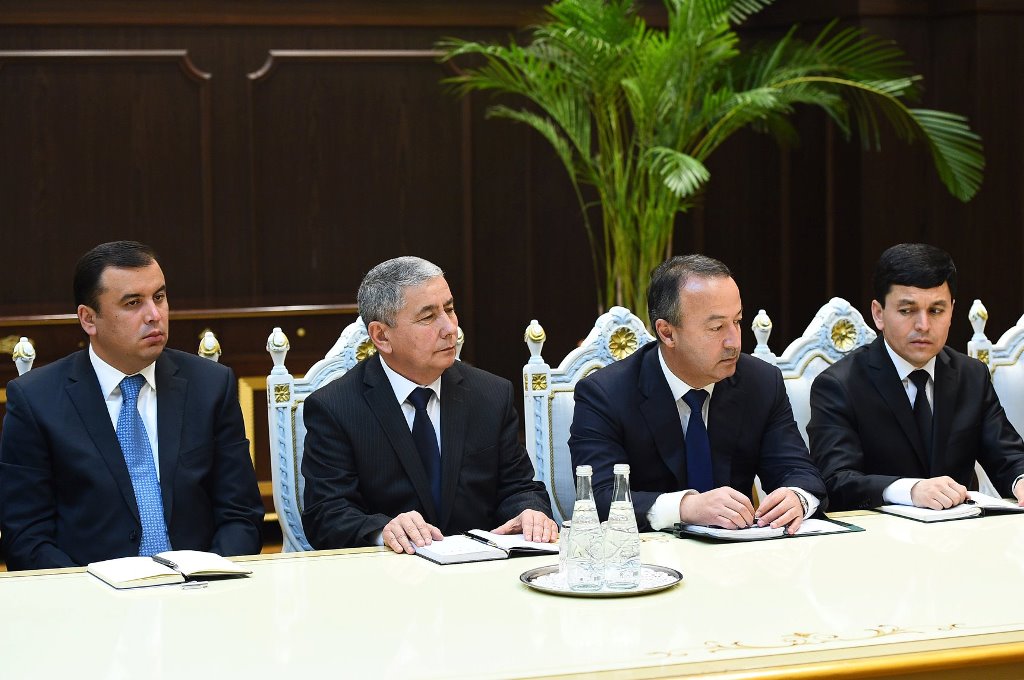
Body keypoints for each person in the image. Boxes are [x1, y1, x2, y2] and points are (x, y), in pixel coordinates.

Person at [0, 241, 263, 570]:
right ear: (88, 319)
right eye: (133, 303)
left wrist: (209, 579)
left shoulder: (210, 386)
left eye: (159, 297)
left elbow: (241, 515)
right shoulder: (36, 400)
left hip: (199, 588)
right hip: (88, 594)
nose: (154, 315)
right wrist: (87, 592)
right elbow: (26, 537)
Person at [301, 256, 557, 553]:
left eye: (449, 309)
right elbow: (326, 514)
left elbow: (519, 488)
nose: (450, 328)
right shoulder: (335, 408)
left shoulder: (491, 394)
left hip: (479, 569)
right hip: (391, 571)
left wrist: (529, 511)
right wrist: (382, 530)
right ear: (381, 336)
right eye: (428, 317)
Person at [569, 255, 826, 534]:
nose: (734, 342)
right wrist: (686, 507)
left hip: (738, 553)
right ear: (667, 333)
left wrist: (797, 497)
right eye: (716, 328)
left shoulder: (761, 382)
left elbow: (799, 472)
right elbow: (598, 497)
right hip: (649, 553)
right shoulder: (605, 394)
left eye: (737, 321)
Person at [808, 243, 1024, 510]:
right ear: (878, 314)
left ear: (951, 311)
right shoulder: (839, 385)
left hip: (960, 528)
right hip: (879, 531)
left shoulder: (971, 376)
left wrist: (1020, 479)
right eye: (907, 311)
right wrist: (909, 490)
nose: (923, 325)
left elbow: (1008, 456)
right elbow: (835, 480)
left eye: (936, 311)